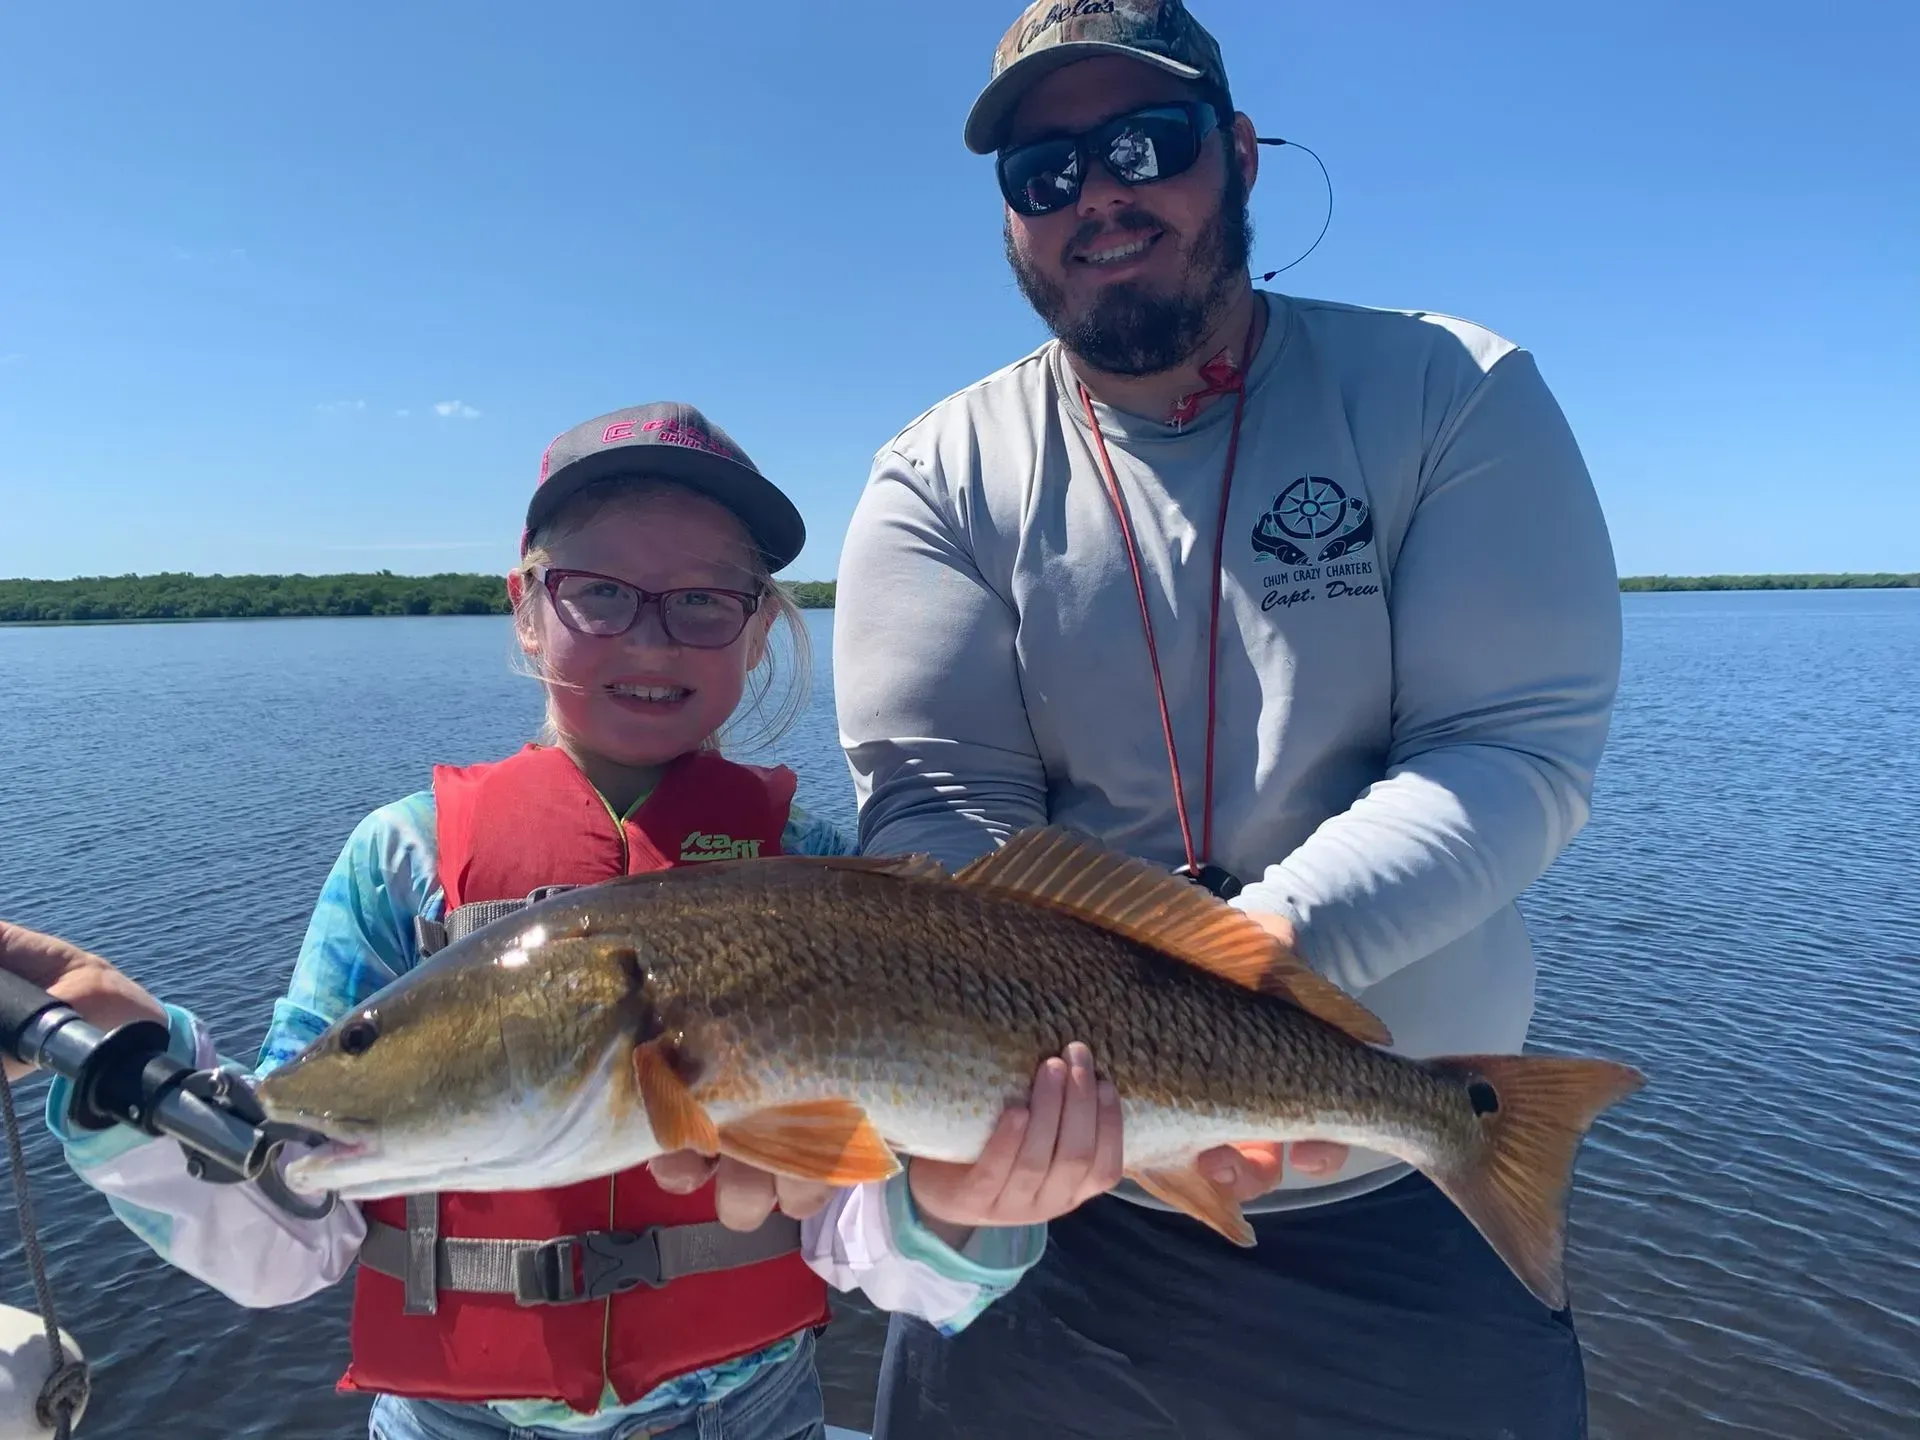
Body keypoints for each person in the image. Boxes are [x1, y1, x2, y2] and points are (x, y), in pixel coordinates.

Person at [0, 401, 1123, 1440]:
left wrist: (959, 1212)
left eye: (703, 601)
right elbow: (284, 1226)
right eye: (599, 591)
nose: (652, 637)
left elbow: (872, 1247)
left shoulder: (816, 879)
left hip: (753, 1411)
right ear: (528, 609)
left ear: (757, 631)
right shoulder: (404, 864)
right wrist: (124, 1072)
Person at [832, 2, 1624, 1437]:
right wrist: (1122, 1038)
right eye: (1044, 173)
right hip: (1047, 1211)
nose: (1100, 197)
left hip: (1408, 1198)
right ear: (1012, 219)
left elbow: (1512, 751)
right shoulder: (935, 475)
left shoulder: (1450, 391)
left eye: (1146, 141)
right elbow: (937, 810)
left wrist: (1251, 959)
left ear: (1239, 152)